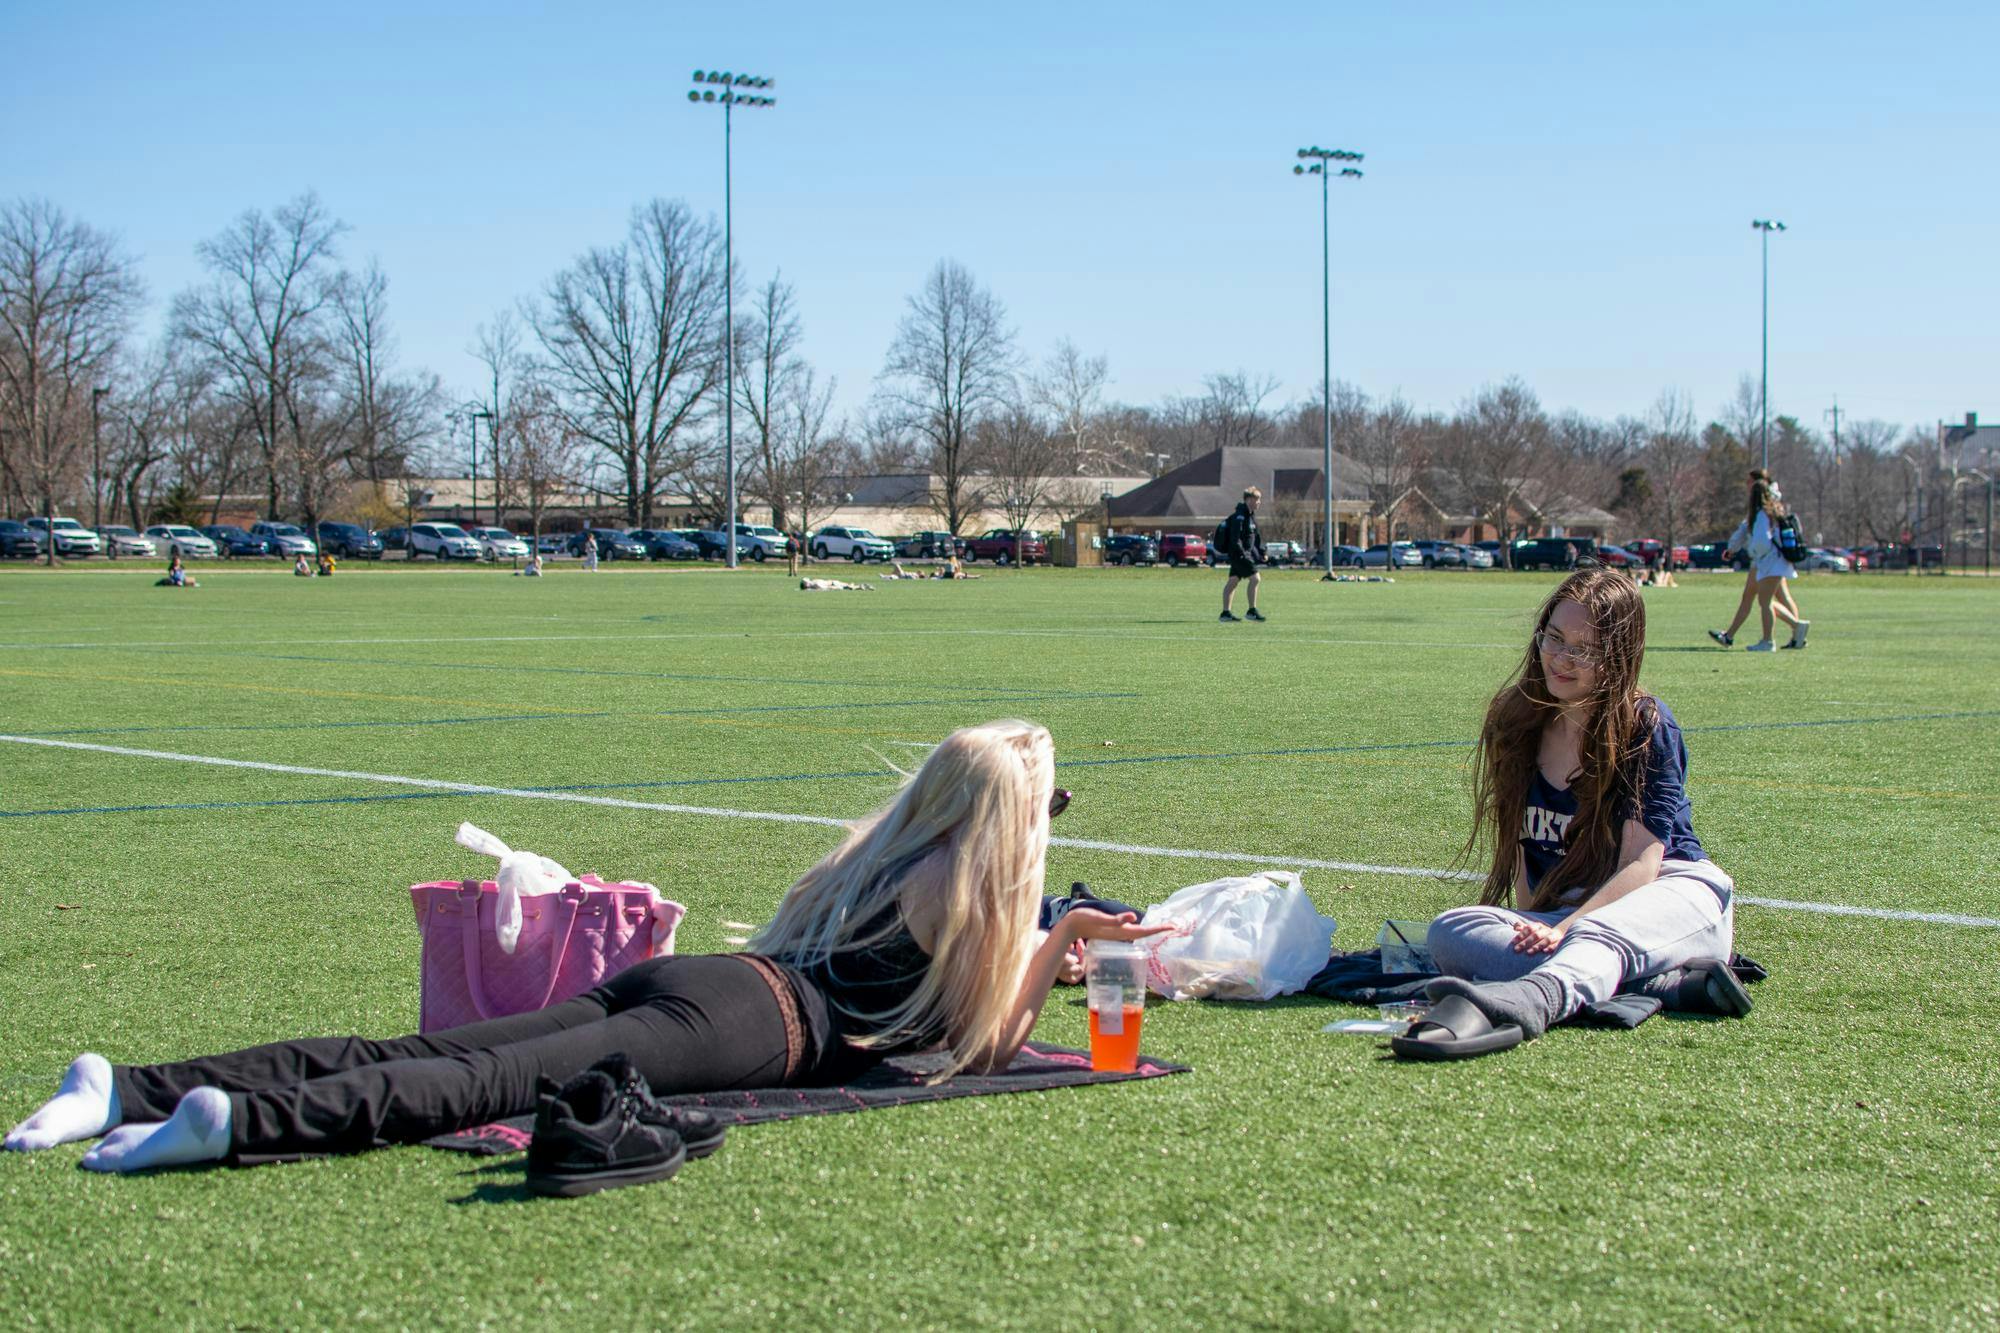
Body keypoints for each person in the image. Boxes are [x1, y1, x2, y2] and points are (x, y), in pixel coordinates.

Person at [3, 721, 1168, 1171]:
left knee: (437, 1046)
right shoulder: (960, 893)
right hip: (745, 1025)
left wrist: (1043, 929)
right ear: (1014, 820)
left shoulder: (879, 855)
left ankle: (127, 1086)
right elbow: (980, 1041)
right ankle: (233, 1125)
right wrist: (1060, 928)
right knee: (484, 1082)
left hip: (701, 978)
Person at [1396, 567, 1745, 1060]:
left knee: (1593, 936)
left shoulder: (1646, 725)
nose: (1561, 658)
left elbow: (1641, 865)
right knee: (1449, 930)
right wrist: (1533, 925)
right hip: (1572, 913)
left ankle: (1531, 1000)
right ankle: (1660, 983)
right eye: (1554, 638)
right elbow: (1523, 854)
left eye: (1584, 648)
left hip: (1670, 892)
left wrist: (1562, 930)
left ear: (1618, 656)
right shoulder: (1515, 719)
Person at [1708, 470, 1800, 647]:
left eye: (1750, 482)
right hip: (1772, 560)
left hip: (1765, 561)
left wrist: (1738, 549)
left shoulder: (1761, 509)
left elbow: (1756, 536)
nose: (1747, 485)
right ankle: (1796, 634)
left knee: (1763, 601)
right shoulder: (1773, 504)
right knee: (1771, 598)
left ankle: (1788, 632)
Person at [1218, 486, 1266, 623]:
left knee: (1233, 581)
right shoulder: (1240, 516)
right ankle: (1252, 611)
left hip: (1243, 554)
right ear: (1249, 500)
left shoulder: (1250, 516)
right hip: (1240, 554)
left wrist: (1261, 553)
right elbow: (1235, 538)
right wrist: (1242, 554)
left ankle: (1225, 613)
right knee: (1256, 578)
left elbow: (1254, 538)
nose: (1259, 502)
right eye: (1257, 499)